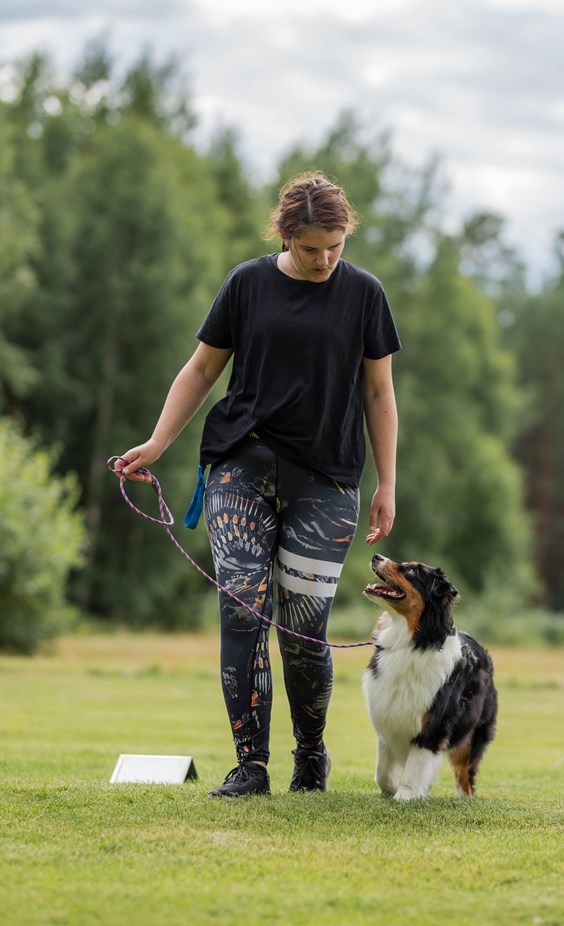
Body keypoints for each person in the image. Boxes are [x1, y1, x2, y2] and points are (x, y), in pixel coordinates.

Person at [114, 171, 400, 797]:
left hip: (327, 478)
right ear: (285, 235)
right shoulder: (246, 284)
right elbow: (201, 370)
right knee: (242, 609)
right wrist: (157, 442)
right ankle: (250, 765)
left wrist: (387, 483)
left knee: (303, 627)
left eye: (336, 246)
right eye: (311, 248)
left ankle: (310, 754)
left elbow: (379, 393)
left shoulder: (365, 294)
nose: (324, 259)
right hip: (240, 465)